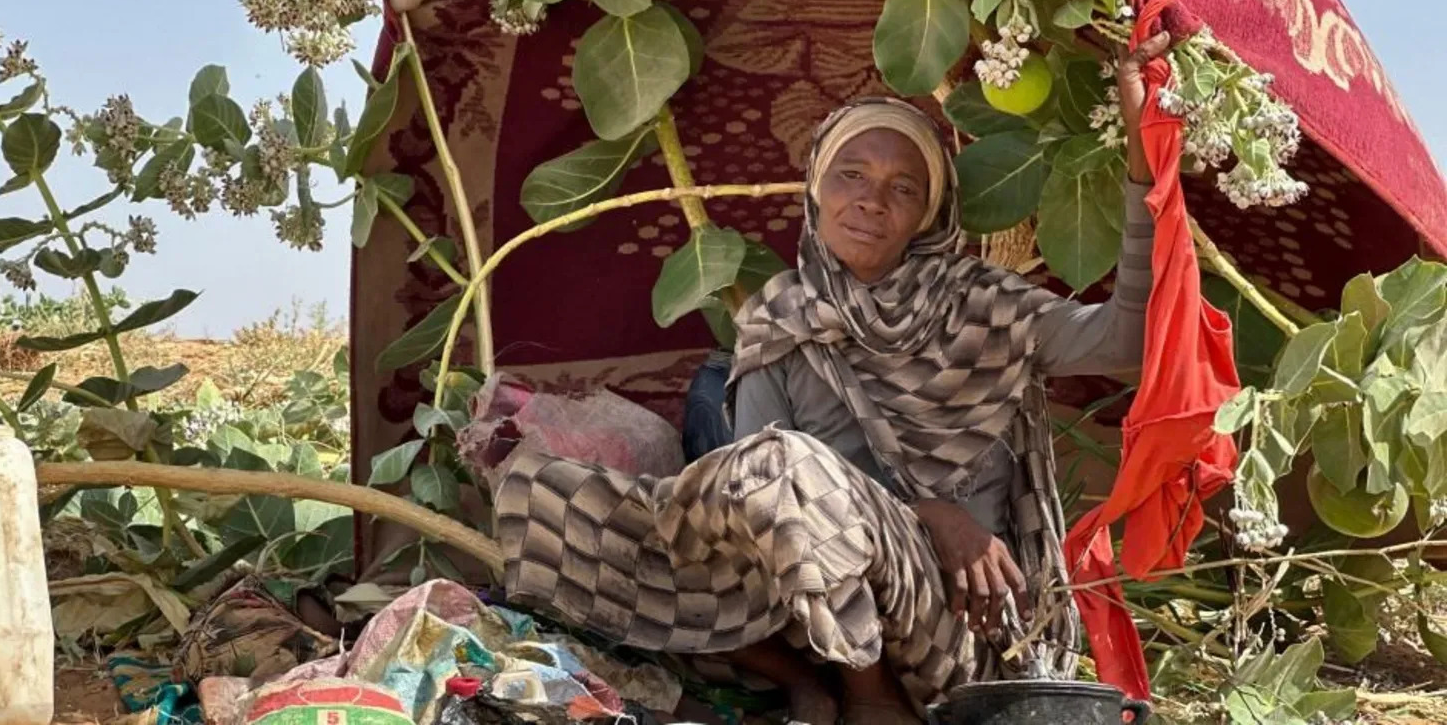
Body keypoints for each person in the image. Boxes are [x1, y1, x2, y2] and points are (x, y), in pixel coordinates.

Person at [491, 36, 1170, 725]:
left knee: (785, 466)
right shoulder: (780, 322)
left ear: (928, 215)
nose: (871, 201)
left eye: (902, 188)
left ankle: (872, 698)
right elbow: (757, 505)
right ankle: (825, 683)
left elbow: (1129, 341)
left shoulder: (986, 308)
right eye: (851, 175)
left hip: (961, 637)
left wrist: (1144, 167)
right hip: (812, 618)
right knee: (564, 501)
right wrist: (931, 517)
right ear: (816, 188)